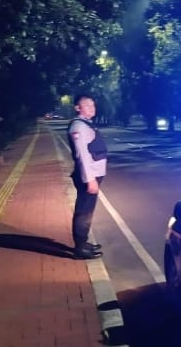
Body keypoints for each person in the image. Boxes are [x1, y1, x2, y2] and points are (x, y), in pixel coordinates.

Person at [67, 94, 108, 259]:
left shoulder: (86, 124)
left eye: (93, 105)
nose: (92, 108)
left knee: (88, 210)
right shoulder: (79, 127)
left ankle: (83, 242)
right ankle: (80, 248)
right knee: (84, 211)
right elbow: (82, 155)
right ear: (78, 108)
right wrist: (89, 179)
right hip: (89, 176)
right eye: (87, 105)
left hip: (94, 174)